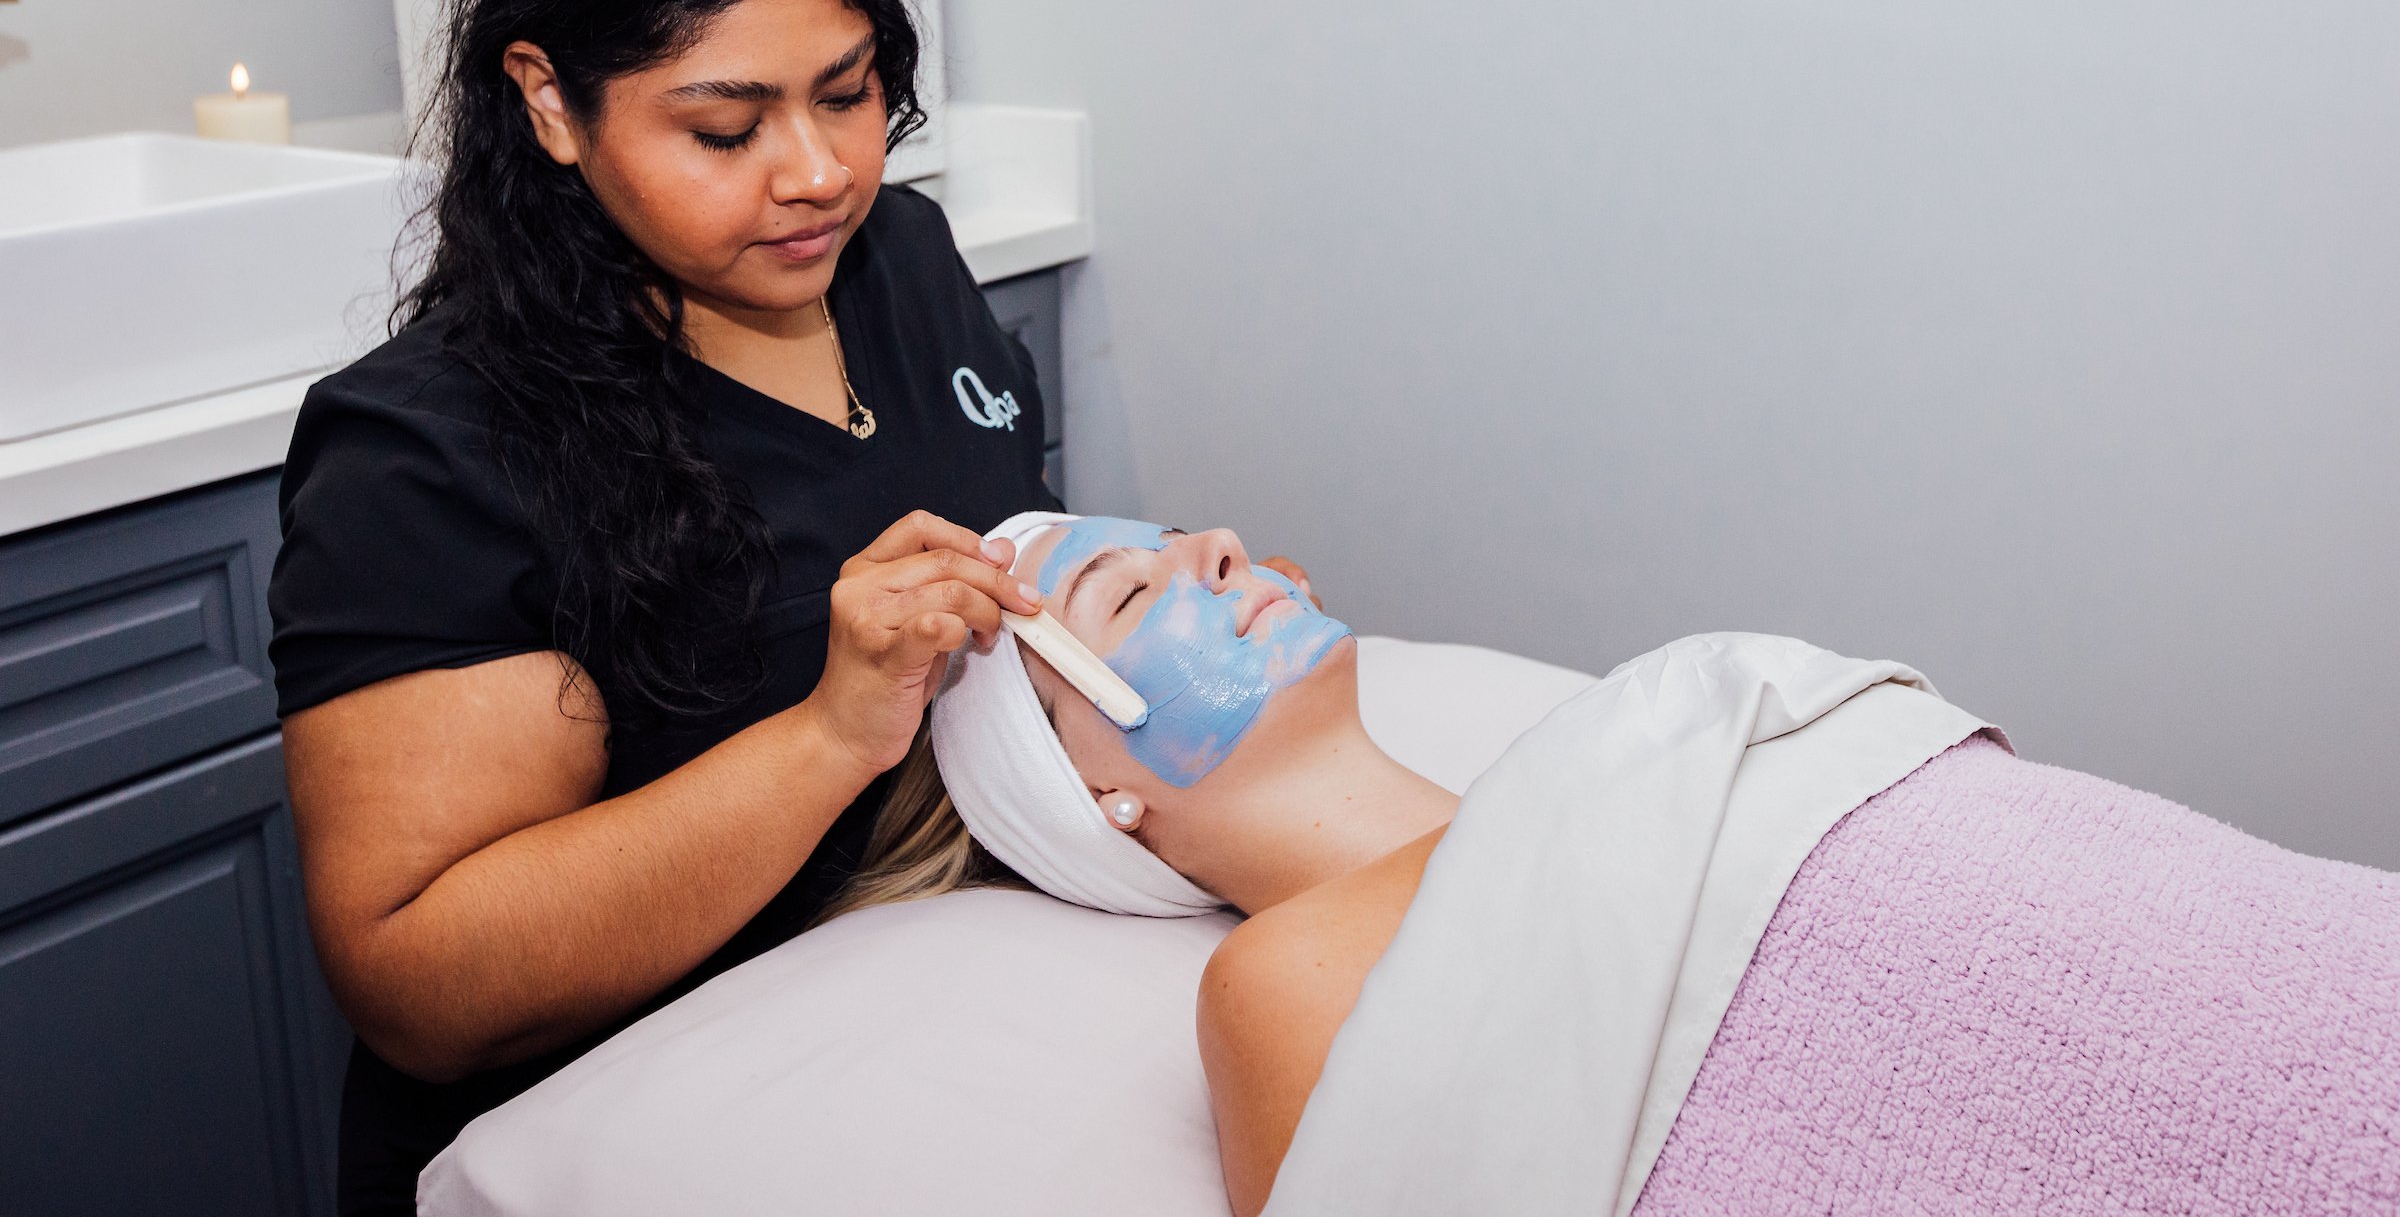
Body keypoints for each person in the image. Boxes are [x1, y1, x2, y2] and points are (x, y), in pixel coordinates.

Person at [268, 0, 1314, 1214]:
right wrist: (829, 734)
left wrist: (1181, 604)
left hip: (908, 1043)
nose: (818, 174)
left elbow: (1014, 597)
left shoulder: (905, 262)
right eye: (725, 129)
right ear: (550, 103)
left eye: (849, 91)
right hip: (613, 1142)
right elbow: (425, 989)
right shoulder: (430, 451)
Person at [850, 513, 2400, 1217]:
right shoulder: (1283, 983)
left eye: (1183, 540)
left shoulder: (1648, 742)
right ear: (1100, 796)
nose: (1214, 552)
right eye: (1129, 597)